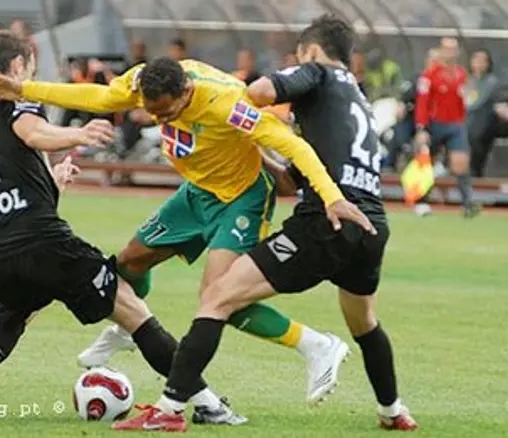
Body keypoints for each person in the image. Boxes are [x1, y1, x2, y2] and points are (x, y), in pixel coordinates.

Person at [0, 55, 377, 410]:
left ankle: (316, 345)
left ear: (185, 92)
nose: (160, 120)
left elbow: (293, 146)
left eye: (165, 113)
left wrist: (331, 197)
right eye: (153, 113)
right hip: (196, 192)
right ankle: (129, 328)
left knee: (218, 299)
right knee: (129, 260)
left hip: (240, 199)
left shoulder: (228, 103)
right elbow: (98, 97)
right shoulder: (145, 81)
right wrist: (23, 88)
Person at [111, 15, 418, 433]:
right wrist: (261, 149)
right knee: (365, 321)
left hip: (324, 220)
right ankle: (392, 410)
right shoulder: (355, 100)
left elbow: (257, 92)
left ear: (311, 51)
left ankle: (169, 408)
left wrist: (240, 115)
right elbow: (291, 180)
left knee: (217, 298)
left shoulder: (317, 71)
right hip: (370, 223)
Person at [0, 32, 237, 423]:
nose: (31, 75)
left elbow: (3, 183)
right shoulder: (17, 94)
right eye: (30, 67)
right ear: (17, 67)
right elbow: (34, 133)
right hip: (38, 240)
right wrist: (79, 134)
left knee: (14, 311)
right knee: (131, 307)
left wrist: (54, 182)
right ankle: (207, 403)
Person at [415, 37, 479, 217]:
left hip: (455, 124)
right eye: (447, 49)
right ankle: (421, 201)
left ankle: (468, 202)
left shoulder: (460, 74)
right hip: (435, 124)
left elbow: (465, 100)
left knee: (461, 161)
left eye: (454, 49)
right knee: (427, 162)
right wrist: (422, 128)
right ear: (441, 50)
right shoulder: (429, 75)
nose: (450, 53)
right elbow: (422, 102)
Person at [465, 49, 499, 177]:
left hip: (483, 122)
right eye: (476, 59)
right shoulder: (466, 79)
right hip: (465, 120)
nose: (478, 63)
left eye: (482, 60)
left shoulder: (491, 81)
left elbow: (476, 102)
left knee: (474, 134)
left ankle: (475, 171)